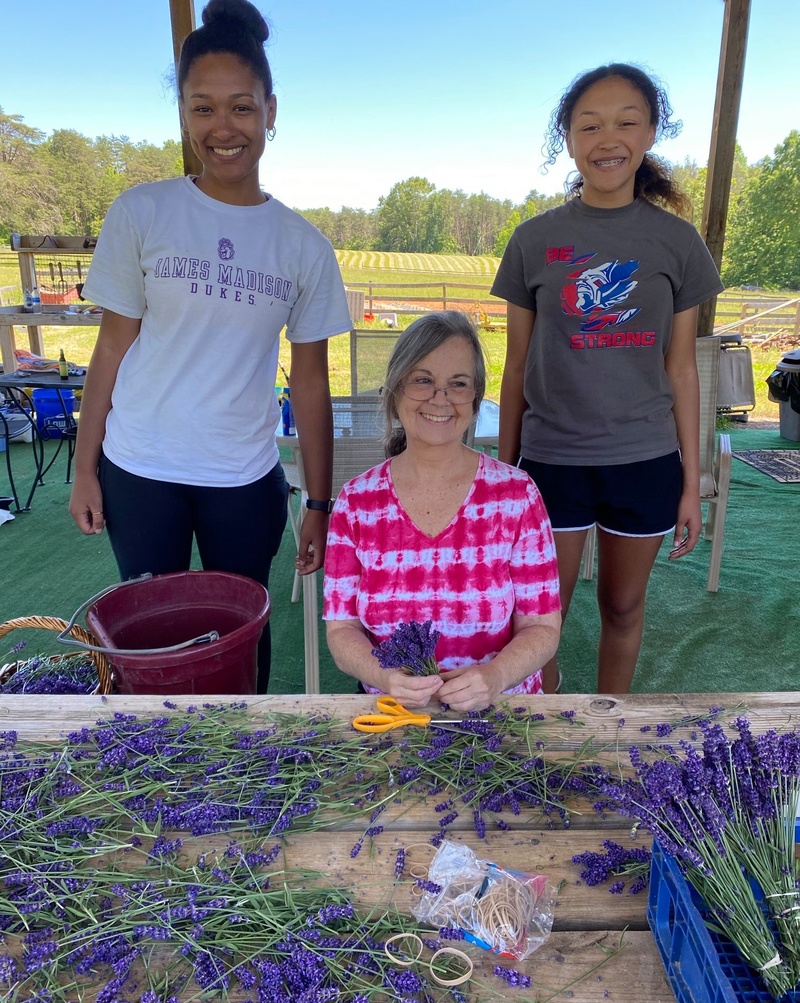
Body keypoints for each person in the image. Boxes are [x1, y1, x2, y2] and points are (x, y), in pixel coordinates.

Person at [68, 0, 352, 691]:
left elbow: (310, 382)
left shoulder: (303, 246)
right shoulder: (142, 213)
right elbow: (110, 351)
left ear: (271, 111)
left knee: (240, 644)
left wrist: (320, 503)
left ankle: (244, 776)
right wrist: (84, 467)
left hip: (243, 480)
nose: (223, 129)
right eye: (203, 109)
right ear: (185, 117)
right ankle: (156, 772)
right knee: (149, 649)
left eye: (241, 108)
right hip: (139, 471)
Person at [491, 63, 723, 695]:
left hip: (644, 461)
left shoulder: (677, 243)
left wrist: (691, 477)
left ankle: (608, 726)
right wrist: (507, 472)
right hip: (551, 461)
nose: (607, 138)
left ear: (650, 133)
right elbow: (516, 366)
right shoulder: (533, 241)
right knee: (539, 620)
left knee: (622, 608)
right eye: (589, 125)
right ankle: (546, 722)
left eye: (627, 122)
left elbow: (681, 368)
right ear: (568, 139)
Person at [323, 311, 561, 713]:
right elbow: (342, 629)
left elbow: (542, 626)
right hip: (397, 715)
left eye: (458, 384)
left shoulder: (516, 495)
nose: (440, 398)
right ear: (396, 389)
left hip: (502, 714)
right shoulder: (356, 503)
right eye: (423, 380)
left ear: (474, 397)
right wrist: (385, 676)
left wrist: (496, 676)